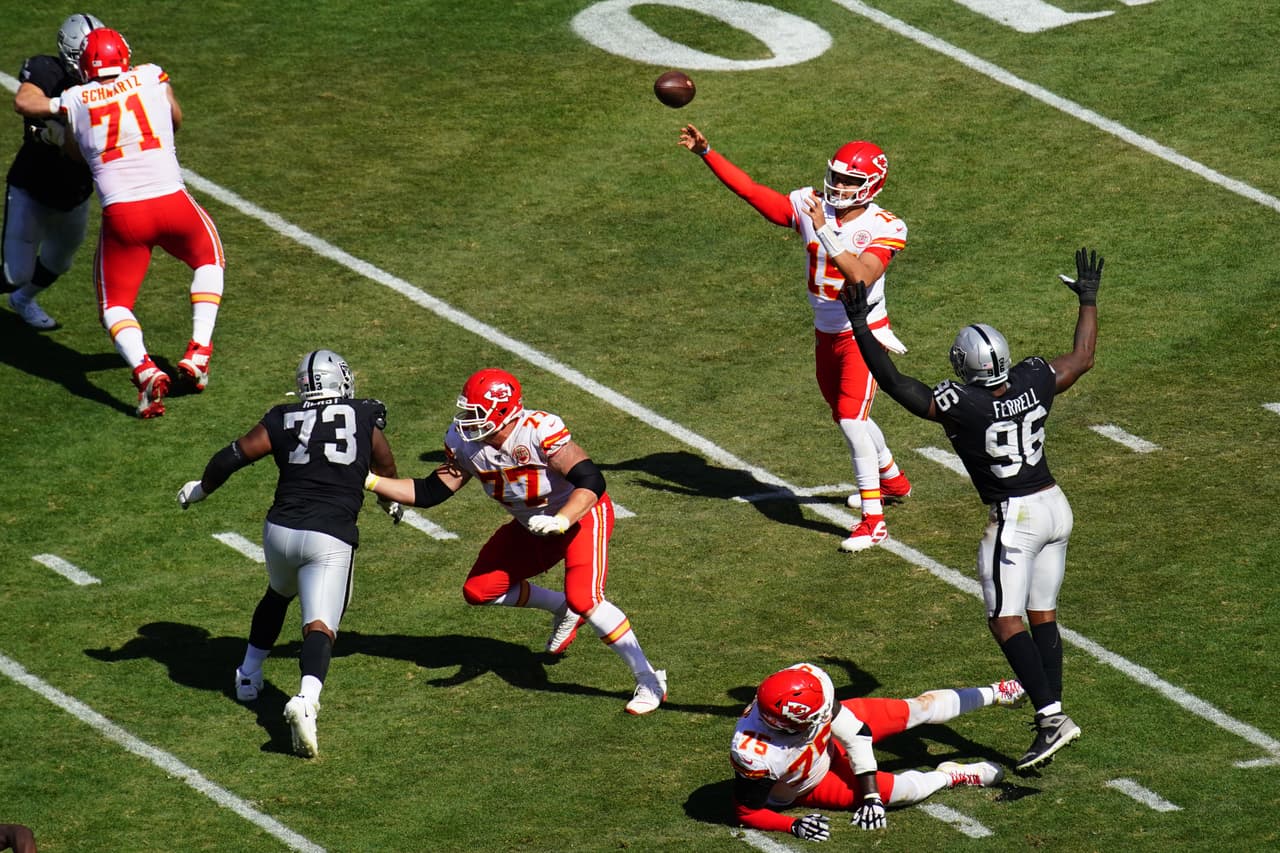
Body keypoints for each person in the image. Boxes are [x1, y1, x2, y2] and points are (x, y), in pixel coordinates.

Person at [839, 247, 1103, 773]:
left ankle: (1051, 718)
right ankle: (1051, 713)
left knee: (1005, 621)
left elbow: (894, 384)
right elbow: (1081, 359)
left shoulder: (966, 404)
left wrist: (858, 324)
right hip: (1055, 505)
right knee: (1042, 614)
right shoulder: (1032, 377)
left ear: (964, 367)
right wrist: (1088, 301)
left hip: (1016, 517)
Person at [364, 367, 667, 714]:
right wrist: (369, 480)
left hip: (581, 516)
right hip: (532, 525)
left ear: (503, 410)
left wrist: (562, 519)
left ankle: (649, 679)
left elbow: (591, 481)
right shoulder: (464, 443)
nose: (465, 421)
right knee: (480, 589)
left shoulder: (537, 430)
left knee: (585, 597)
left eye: (474, 412)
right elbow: (430, 491)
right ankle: (560, 607)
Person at [678, 124, 912, 553]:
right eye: (836, 176)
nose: (839, 185)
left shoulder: (886, 225)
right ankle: (893, 479)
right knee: (843, 413)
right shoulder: (810, 204)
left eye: (850, 180)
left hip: (863, 331)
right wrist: (707, 153)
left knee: (851, 418)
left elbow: (861, 275)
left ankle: (873, 521)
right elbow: (752, 192)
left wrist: (826, 231)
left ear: (871, 185)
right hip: (826, 329)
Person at [176, 350, 402, 758]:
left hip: (279, 530)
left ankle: (248, 674)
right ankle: (307, 702)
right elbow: (384, 467)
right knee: (320, 626)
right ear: (341, 381)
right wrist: (391, 503)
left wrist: (200, 489)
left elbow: (233, 456)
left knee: (278, 592)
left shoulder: (282, 418)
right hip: (329, 536)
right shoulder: (364, 415)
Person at [34, 27, 226, 418]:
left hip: (124, 215)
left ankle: (143, 369)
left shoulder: (74, 98)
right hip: (172, 201)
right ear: (125, 56)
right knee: (209, 261)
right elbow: (174, 118)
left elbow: (73, 150)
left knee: (115, 303)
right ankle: (200, 350)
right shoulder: (151, 74)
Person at [731, 662, 1023, 841]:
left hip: (827, 745)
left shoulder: (807, 682)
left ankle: (996, 692)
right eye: (815, 716)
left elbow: (856, 735)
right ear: (786, 724)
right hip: (810, 783)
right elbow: (746, 812)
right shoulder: (755, 754)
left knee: (915, 708)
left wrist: (870, 796)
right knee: (899, 792)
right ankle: (950, 777)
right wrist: (792, 826)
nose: (824, 715)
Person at [3, 13, 103, 330]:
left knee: (60, 260)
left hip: (76, 194)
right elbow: (25, 100)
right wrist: (67, 105)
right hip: (32, 189)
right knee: (13, 273)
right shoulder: (48, 70)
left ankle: (23, 300)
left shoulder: (109, 80)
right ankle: (16, 290)